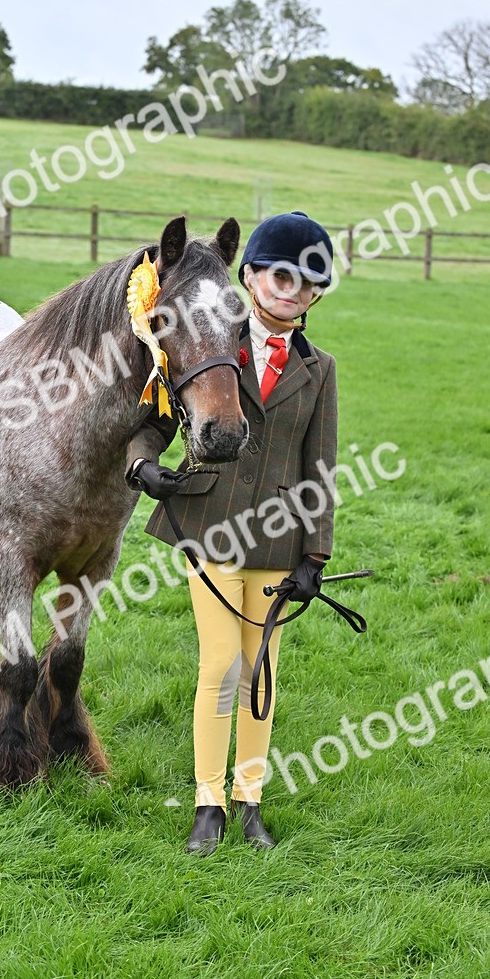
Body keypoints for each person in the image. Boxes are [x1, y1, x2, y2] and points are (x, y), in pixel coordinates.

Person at [126, 211, 337, 855]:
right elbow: (153, 421)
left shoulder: (320, 369)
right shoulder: (211, 339)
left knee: (259, 669)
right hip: (211, 524)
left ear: (316, 294)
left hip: (279, 540)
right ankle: (207, 803)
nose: (290, 290)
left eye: (306, 282)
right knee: (221, 666)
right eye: (278, 275)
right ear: (248, 276)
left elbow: (319, 465)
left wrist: (316, 555)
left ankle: (251, 801)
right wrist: (141, 465)